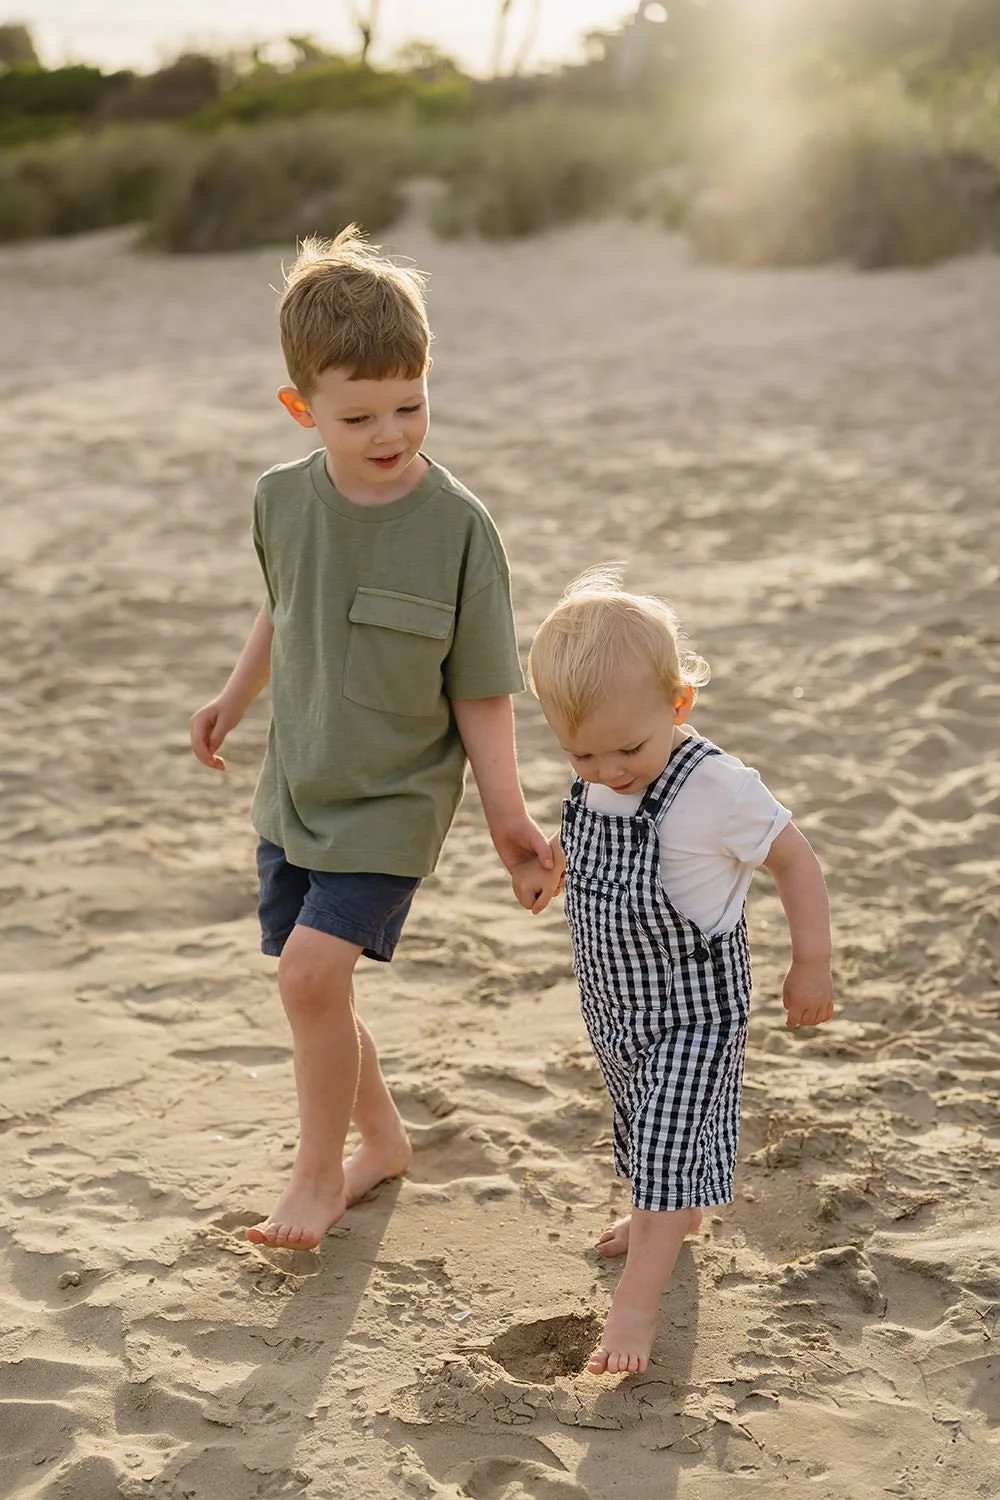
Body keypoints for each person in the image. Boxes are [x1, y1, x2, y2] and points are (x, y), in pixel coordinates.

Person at [190, 225, 551, 1252]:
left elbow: (482, 691)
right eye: (358, 415)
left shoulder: (461, 530)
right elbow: (282, 608)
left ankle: (315, 1177)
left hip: (394, 800)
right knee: (321, 987)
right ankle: (382, 1139)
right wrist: (231, 698)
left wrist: (508, 818)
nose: (391, 432)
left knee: (306, 977)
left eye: (411, 404)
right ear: (301, 409)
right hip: (297, 784)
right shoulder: (279, 499)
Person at [513, 568, 835, 1376]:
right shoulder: (597, 781)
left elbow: (795, 862)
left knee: (660, 1142)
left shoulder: (718, 787)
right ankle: (674, 1212)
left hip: (695, 1006)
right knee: (639, 1121)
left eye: (629, 748)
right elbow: (584, 836)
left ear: (679, 706)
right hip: (616, 1000)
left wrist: (812, 963)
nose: (609, 769)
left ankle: (638, 1305)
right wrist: (553, 864)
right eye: (581, 752)